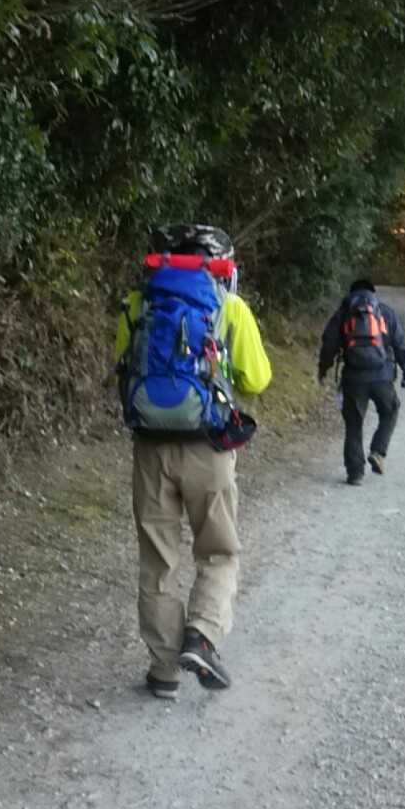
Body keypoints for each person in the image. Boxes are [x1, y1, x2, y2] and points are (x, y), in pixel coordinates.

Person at [115, 223, 272, 698]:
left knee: (157, 561)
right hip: (209, 449)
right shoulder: (229, 307)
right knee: (219, 550)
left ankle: (163, 671)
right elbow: (257, 379)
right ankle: (201, 636)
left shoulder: (138, 303)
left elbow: (124, 364)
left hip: (150, 449)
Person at [317, 278, 405, 485]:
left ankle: (355, 473)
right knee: (390, 410)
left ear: (351, 293)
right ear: (373, 292)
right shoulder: (385, 312)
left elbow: (329, 343)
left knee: (354, 424)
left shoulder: (343, 313)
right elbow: (399, 344)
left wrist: (323, 369)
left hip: (353, 378)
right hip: (382, 376)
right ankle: (378, 451)